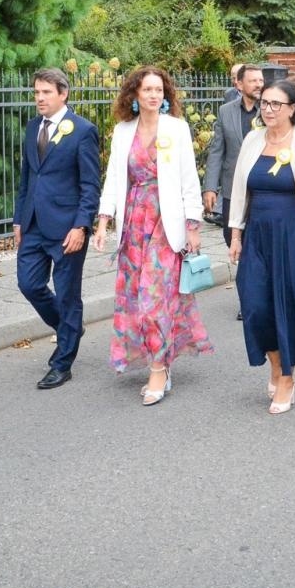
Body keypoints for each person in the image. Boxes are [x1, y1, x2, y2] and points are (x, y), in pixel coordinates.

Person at [95, 66, 212, 404]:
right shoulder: (122, 131)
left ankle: (158, 368)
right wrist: (104, 221)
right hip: (133, 222)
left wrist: (193, 226)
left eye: (159, 90)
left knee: (155, 298)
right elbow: (115, 179)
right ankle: (157, 358)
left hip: (166, 223)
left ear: (165, 95)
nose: (153, 95)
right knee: (135, 296)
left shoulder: (176, 129)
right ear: (134, 94)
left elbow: (190, 181)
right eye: (147, 89)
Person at [226, 79, 295, 413]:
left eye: (277, 104)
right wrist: (236, 234)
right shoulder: (252, 139)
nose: (269, 109)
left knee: (287, 305)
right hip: (258, 233)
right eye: (265, 102)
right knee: (256, 304)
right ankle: (275, 363)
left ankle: (286, 377)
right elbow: (240, 187)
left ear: (292, 108)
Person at [13, 68, 101, 389]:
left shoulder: (82, 131)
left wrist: (82, 226)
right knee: (29, 283)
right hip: (34, 223)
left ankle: (63, 362)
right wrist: (19, 219)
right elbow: (27, 177)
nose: (39, 98)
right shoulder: (33, 127)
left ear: (62, 94)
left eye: (46, 92)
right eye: (36, 92)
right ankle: (70, 328)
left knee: (67, 295)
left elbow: (91, 185)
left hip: (67, 229)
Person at [203, 63, 264, 226]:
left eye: (260, 80)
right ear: (239, 84)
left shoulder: (270, 109)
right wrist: (210, 187)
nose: (258, 84)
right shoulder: (225, 111)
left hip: (262, 187)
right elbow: (217, 151)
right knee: (231, 235)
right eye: (253, 81)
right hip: (232, 187)